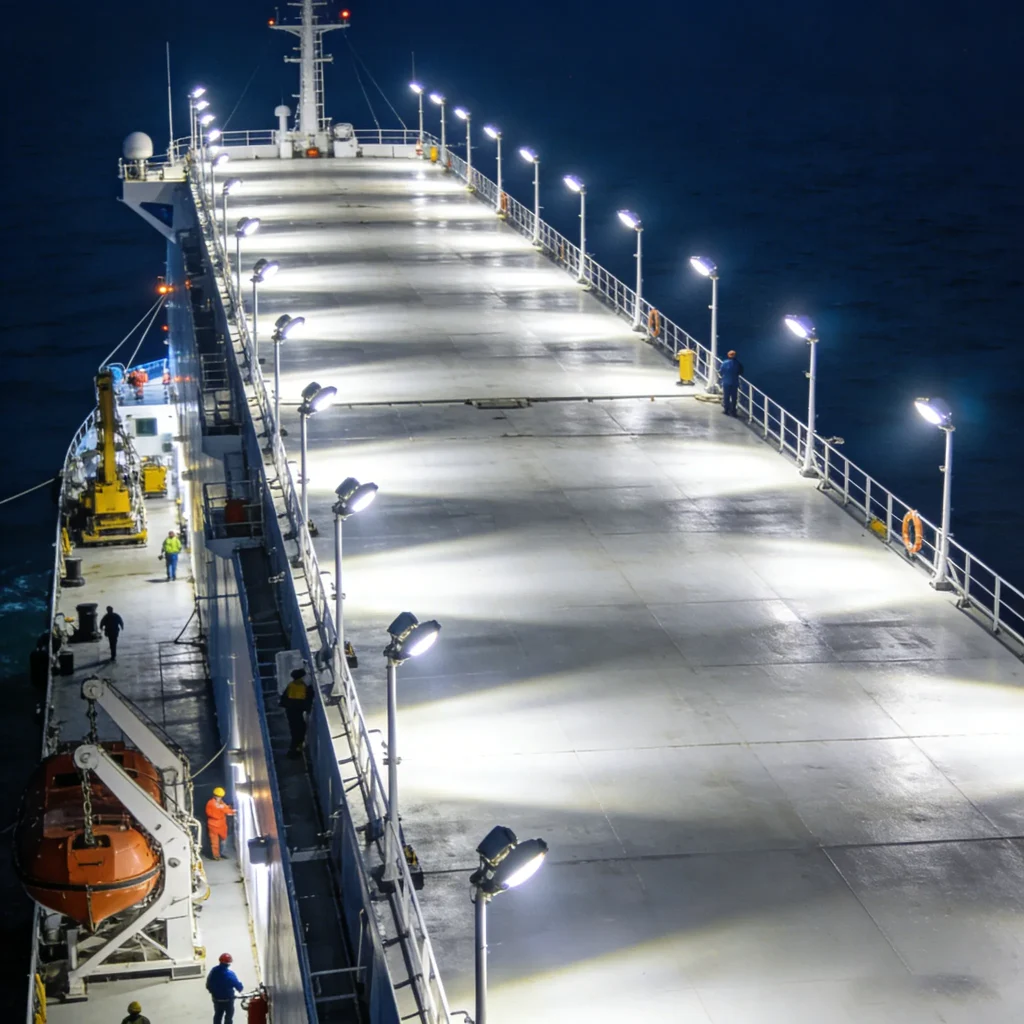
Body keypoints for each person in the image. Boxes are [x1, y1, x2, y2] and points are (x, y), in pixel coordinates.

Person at [280, 667, 314, 758]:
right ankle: (294, 751)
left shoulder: (291, 685)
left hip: (291, 712)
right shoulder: (302, 686)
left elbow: (284, 699)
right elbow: (306, 699)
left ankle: (295, 750)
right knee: (299, 730)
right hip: (295, 712)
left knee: (297, 731)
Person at [206, 952, 244, 1024]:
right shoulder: (230, 974)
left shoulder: (214, 971)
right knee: (228, 1017)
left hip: (216, 999)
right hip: (228, 1000)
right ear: (229, 963)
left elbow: (208, 985)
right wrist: (240, 987)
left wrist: (214, 993)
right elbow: (239, 987)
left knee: (217, 1015)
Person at [205, 786, 236, 860]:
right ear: (214, 796)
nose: (219, 798)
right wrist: (233, 811)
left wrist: (229, 808)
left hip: (221, 824)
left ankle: (222, 853)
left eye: (220, 796)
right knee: (214, 842)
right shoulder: (212, 803)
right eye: (218, 796)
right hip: (213, 825)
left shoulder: (220, 803)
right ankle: (216, 856)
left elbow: (225, 808)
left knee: (224, 839)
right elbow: (224, 810)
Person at [720, 349, 744, 417]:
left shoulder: (724, 363)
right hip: (734, 382)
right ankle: (733, 411)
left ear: (728, 355)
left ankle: (726, 410)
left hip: (726, 382)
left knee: (726, 396)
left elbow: (721, 371)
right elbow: (741, 372)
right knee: (734, 397)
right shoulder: (738, 364)